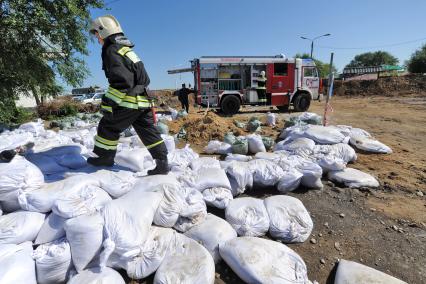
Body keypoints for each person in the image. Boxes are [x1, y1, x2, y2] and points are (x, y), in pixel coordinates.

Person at [88, 15, 169, 175]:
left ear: (104, 32)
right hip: (143, 101)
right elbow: (145, 79)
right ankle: (162, 164)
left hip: (129, 102)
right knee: (148, 131)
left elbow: (122, 82)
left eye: (97, 33)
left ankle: (105, 157)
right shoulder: (128, 51)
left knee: (107, 126)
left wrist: (108, 102)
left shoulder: (111, 51)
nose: (97, 38)